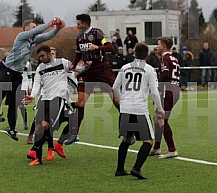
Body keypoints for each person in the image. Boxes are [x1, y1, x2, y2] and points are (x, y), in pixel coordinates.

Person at [0, 18, 65, 141]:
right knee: (2, 92)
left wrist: (58, 28)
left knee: (14, 103)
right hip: (7, 69)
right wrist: (51, 23)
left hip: (17, 73)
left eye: (35, 27)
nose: (35, 29)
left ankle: (11, 128)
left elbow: (48, 35)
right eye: (33, 27)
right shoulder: (22, 36)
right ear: (26, 29)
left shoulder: (33, 40)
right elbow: (39, 30)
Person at [65, 13, 119, 145]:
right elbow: (78, 54)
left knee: (117, 101)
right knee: (81, 102)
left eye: (78, 23)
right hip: (88, 72)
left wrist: (98, 47)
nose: (76, 26)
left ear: (84, 24)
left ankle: (130, 131)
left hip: (102, 70)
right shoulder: (79, 37)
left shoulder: (97, 33)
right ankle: (73, 134)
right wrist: (73, 65)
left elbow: (111, 48)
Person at [113, 43, 164, 180]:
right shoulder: (149, 69)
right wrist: (160, 109)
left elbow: (115, 87)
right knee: (148, 141)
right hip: (140, 109)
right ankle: (136, 168)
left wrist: (122, 100)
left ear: (134, 53)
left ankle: (119, 169)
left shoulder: (124, 67)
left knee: (127, 139)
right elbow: (154, 92)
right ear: (146, 54)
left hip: (125, 109)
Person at [23, 45, 79, 166]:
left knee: (47, 125)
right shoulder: (40, 68)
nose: (41, 58)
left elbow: (76, 68)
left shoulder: (62, 62)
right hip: (44, 99)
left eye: (42, 55)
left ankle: (45, 150)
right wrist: (32, 95)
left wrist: (86, 67)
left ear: (49, 54)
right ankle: (38, 156)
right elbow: (37, 82)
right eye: (39, 56)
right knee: (38, 127)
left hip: (57, 99)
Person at [149, 37, 180, 158]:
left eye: (159, 44)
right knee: (157, 117)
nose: (157, 47)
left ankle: (172, 149)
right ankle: (156, 147)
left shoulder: (164, 57)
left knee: (162, 119)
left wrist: (158, 91)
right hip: (174, 89)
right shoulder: (174, 58)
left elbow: (166, 74)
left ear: (164, 46)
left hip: (168, 90)